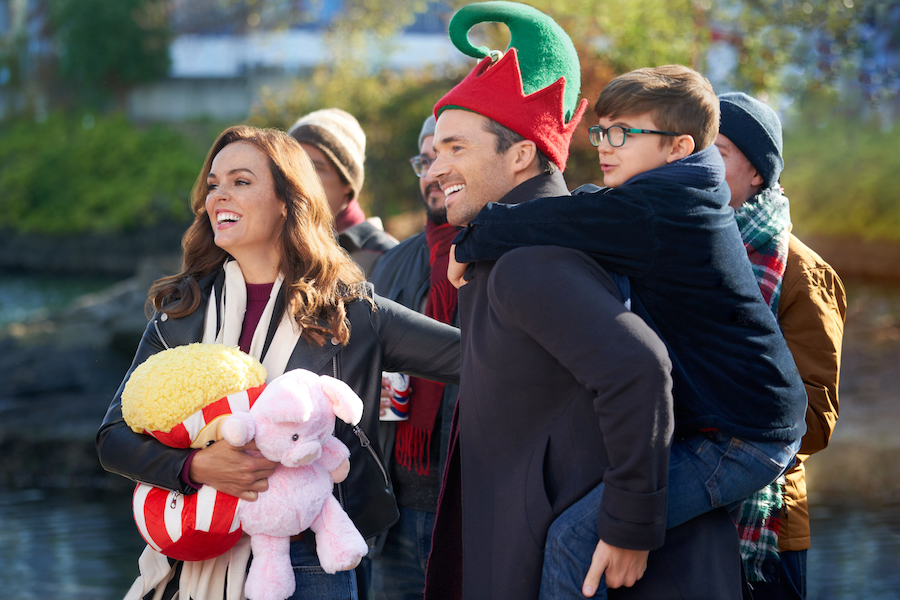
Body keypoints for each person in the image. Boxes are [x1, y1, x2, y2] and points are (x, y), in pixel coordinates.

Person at [449, 63, 809, 598]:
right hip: (739, 415)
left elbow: (555, 220)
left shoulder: (659, 212)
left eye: (624, 134)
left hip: (742, 437)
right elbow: (588, 208)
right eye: (602, 130)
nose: (605, 145)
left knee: (576, 539)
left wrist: (471, 240)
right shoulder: (681, 193)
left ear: (679, 147)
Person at [423, 4, 742, 599]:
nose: (437, 168)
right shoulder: (517, 247)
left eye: (455, 147)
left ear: (520, 155)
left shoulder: (529, 260)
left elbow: (640, 369)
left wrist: (629, 524)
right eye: (436, 151)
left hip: (612, 573)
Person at [96, 125, 460, 600]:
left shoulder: (349, 312)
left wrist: (494, 277)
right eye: (213, 184)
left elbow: (474, 356)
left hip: (307, 564)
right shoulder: (181, 312)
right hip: (190, 555)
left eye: (241, 182)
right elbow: (113, 438)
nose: (218, 195)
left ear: (288, 201)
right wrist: (197, 467)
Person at [716, 92, 846, 598]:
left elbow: (813, 421)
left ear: (757, 173)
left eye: (720, 151)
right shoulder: (686, 249)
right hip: (685, 523)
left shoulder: (803, 274)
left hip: (767, 533)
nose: (701, 163)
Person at [366, 114, 458, 600]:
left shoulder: (504, 256)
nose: (433, 172)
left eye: (446, 155)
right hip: (396, 509)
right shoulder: (394, 262)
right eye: (425, 160)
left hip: (467, 508)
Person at [289, 108, 397, 277]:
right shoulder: (278, 250)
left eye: (315, 168)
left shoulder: (389, 258)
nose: (300, 177)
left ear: (348, 183)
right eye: (293, 166)